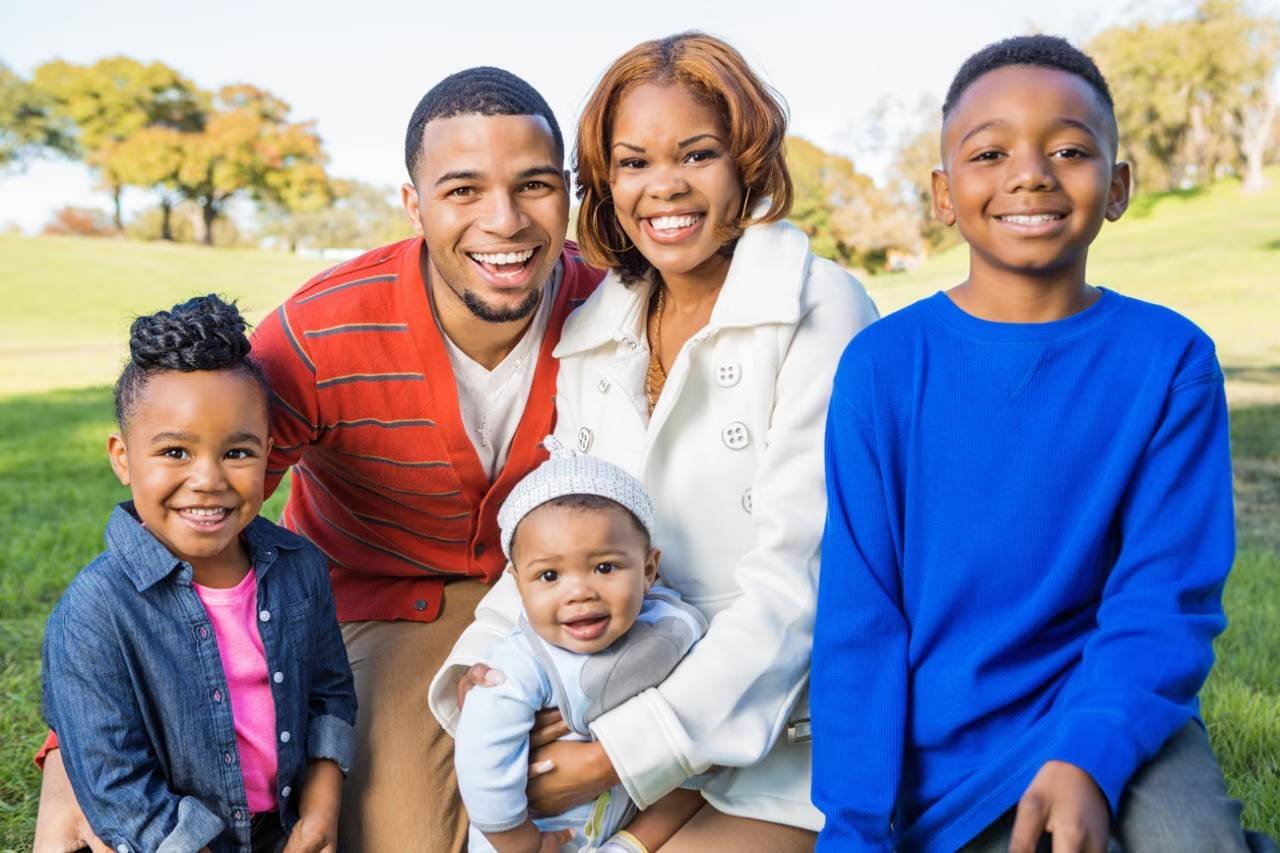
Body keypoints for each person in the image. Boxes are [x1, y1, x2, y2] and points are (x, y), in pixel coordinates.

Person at [33, 67, 603, 853]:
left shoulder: (611, 313)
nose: (504, 221)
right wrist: (71, 752)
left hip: (570, 591)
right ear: (415, 205)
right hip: (383, 606)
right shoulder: (316, 334)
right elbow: (181, 521)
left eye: (534, 185)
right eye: (463, 190)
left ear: (566, 193)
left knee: (591, 786)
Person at [811, 35, 1267, 853]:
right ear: (944, 196)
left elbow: (1164, 596)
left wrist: (1087, 753)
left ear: (1118, 186)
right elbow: (861, 616)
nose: (1032, 173)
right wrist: (853, 826)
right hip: (951, 756)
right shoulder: (883, 366)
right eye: (990, 152)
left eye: (1068, 148)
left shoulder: (1170, 360)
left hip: (1116, 703)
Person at [432, 32, 878, 853]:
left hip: (779, 734)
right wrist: (487, 680)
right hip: (605, 692)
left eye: (698, 153)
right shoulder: (593, 331)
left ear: (747, 160)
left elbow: (799, 583)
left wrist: (612, 756)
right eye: (633, 162)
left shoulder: (820, 307)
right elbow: (550, 539)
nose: (663, 187)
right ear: (605, 180)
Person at [41, 295, 356, 853]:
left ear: (269, 455)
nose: (209, 479)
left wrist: (320, 811)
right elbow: (116, 787)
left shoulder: (299, 569)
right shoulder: (93, 612)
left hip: (283, 828)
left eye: (237, 452)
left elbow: (329, 693)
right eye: (175, 452)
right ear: (122, 458)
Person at [456, 440, 708, 853]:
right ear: (518, 584)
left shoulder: (671, 630)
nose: (579, 592)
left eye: (604, 567)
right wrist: (519, 840)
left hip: (624, 829)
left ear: (648, 569)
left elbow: (695, 761)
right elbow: (481, 761)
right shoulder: (521, 664)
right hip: (528, 839)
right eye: (550, 576)